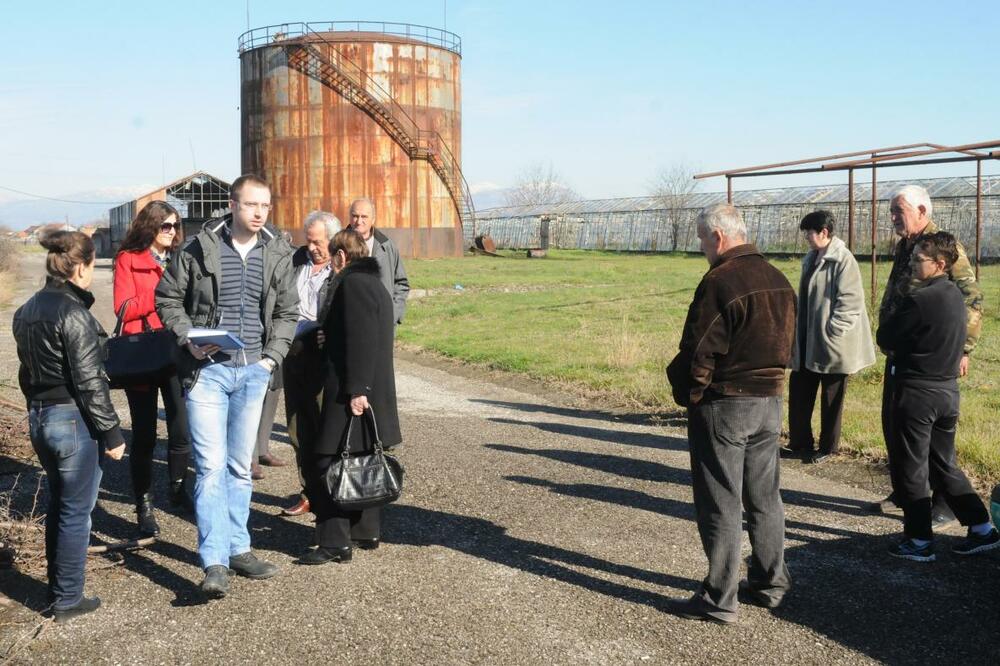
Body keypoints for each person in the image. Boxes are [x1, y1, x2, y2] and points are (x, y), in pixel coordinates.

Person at [155, 174, 299, 598]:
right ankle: (214, 560)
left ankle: (238, 548)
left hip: (254, 372)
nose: (260, 213)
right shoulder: (199, 248)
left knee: (240, 466)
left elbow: (288, 312)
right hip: (208, 374)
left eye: (266, 206)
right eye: (252, 205)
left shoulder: (277, 251)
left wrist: (270, 358)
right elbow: (167, 299)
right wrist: (188, 337)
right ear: (233, 205)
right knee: (211, 466)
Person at [666, 203, 795, 624]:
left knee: (720, 500)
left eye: (703, 240)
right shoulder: (778, 278)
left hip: (725, 403)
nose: (702, 247)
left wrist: (691, 394)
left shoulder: (719, 280)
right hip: (770, 401)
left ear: (718, 237)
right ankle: (771, 583)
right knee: (765, 497)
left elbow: (699, 349)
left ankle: (719, 597)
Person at [13, 231, 126, 623]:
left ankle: (58, 590)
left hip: (41, 417)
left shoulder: (25, 309)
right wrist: (112, 432)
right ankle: (67, 599)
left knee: (60, 505)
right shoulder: (74, 314)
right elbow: (89, 381)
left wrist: (36, 410)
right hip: (72, 420)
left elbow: (26, 372)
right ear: (81, 267)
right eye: (92, 266)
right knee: (76, 512)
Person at [876, 232, 999, 561]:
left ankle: (919, 541)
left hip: (917, 392)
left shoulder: (920, 300)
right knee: (944, 464)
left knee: (912, 468)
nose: (912, 265)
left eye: (919, 260)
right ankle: (981, 527)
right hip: (947, 392)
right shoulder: (956, 296)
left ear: (940, 264)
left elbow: (885, 336)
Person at [873, 185, 984, 523]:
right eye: (891, 211)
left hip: (930, 358)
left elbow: (972, 298)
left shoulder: (940, 247)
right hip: (902, 351)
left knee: (931, 439)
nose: (893, 217)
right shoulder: (906, 245)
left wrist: (963, 349)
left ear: (922, 211)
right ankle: (907, 491)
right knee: (895, 424)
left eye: (899, 210)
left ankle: (943, 504)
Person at [298, 228, 401, 565]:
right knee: (362, 454)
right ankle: (364, 530)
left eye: (332, 257)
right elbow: (355, 333)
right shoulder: (374, 284)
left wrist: (357, 390)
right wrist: (329, 336)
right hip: (368, 387)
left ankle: (334, 541)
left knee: (329, 461)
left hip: (350, 389)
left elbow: (361, 340)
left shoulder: (352, 284)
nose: (330, 264)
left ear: (341, 256)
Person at [113, 200, 193, 538]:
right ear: (151, 226)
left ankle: (178, 490)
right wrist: (162, 294)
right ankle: (143, 505)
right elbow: (123, 308)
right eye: (166, 226)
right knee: (144, 434)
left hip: (177, 350)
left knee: (181, 429)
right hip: (143, 353)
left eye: (175, 226)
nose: (172, 232)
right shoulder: (128, 259)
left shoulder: (182, 258)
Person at [787, 210, 875, 464]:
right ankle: (800, 442)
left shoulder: (843, 260)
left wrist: (832, 331)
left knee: (832, 397)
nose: (806, 237)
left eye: (809, 233)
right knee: (800, 389)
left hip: (833, 344)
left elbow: (851, 302)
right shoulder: (811, 258)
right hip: (807, 339)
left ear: (824, 232)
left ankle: (828, 447)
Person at [278, 210, 340, 517]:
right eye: (309, 241)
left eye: (318, 242)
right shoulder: (295, 262)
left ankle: (332, 492)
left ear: (332, 240)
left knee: (322, 427)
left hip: (321, 355)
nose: (312, 247)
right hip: (292, 353)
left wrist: (328, 332)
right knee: (296, 428)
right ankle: (309, 492)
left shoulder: (340, 270)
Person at [347, 197, 410, 325]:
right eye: (355, 216)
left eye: (364, 217)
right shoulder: (339, 245)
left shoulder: (386, 246)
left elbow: (401, 284)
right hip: (349, 321)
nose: (359, 221)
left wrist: (393, 314)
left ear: (373, 219)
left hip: (381, 322)